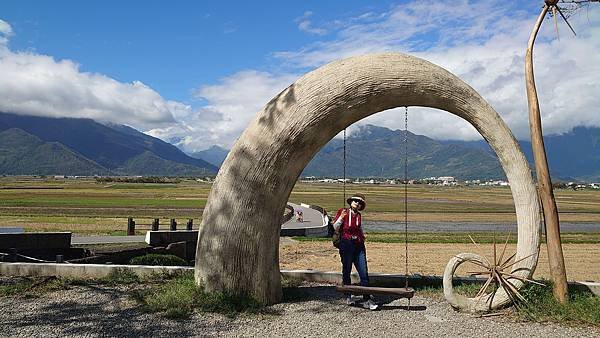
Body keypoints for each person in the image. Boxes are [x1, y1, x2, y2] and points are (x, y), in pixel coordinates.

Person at [333, 193, 378, 310]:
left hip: (358, 245)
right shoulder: (343, 212)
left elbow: (359, 228)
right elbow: (335, 227)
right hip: (346, 244)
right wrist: (341, 218)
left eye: (359, 202)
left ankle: (366, 299)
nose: (357, 203)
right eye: (355, 201)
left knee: (364, 272)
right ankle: (348, 295)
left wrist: (362, 236)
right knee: (346, 269)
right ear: (351, 202)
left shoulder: (358, 215)